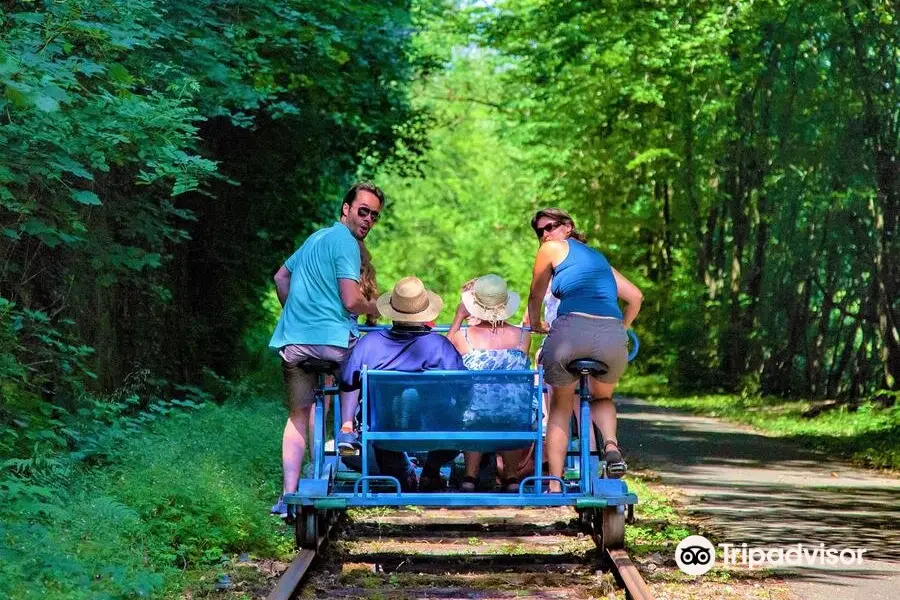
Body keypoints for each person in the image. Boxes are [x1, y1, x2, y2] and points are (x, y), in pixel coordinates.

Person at [268, 181, 385, 517]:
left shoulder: (314, 239)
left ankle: (289, 494)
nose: (367, 220)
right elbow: (351, 301)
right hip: (332, 344)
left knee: (297, 416)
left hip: (293, 344)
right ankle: (347, 429)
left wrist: (296, 313)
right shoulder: (346, 243)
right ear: (345, 209)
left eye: (373, 216)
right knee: (360, 357)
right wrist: (378, 308)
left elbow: (280, 278)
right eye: (363, 211)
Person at [526, 208, 643, 491]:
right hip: (612, 335)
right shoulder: (598, 260)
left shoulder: (551, 249)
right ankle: (611, 446)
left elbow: (535, 294)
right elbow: (636, 297)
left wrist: (537, 322)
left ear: (568, 227)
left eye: (550, 227)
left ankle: (554, 485)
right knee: (602, 398)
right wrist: (621, 329)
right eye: (539, 231)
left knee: (561, 407)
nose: (545, 235)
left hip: (571, 331)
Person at [339, 276, 466, 491]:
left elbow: (348, 383)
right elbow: (464, 387)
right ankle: (431, 470)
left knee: (385, 424)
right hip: (435, 432)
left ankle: (402, 474)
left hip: (384, 432)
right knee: (452, 421)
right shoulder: (440, 346)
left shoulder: (370, 344)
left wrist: (348, 424)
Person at [447, 274, 533, 492]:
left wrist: (458, 317)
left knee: (475, 409)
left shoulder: (463, 336)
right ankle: (512, 477)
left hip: (475, 415)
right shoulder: (523, 336)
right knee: (509, 407)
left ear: (474, 306)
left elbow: (444, 349)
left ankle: (470, 477)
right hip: (516, 415)